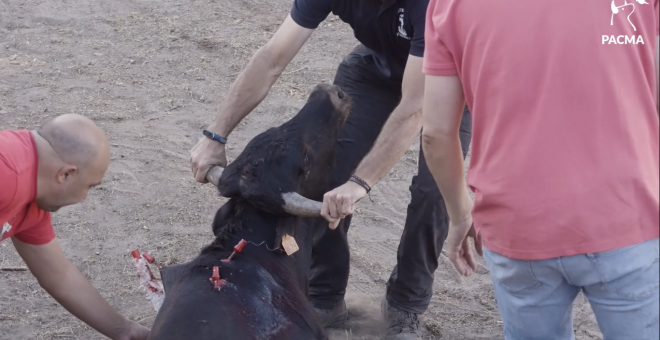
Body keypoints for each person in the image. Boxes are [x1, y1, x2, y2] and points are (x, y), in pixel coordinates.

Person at [189, 0, 472, 338]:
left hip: (448, 82)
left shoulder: (430, 6)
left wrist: (360, 183)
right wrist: (215, 134)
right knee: (326, 174)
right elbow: (271, 58)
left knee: (435, 192)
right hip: (373, 71)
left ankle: (406, 305)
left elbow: (414, 106)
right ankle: (325, 296)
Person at [417, 0, 658, 339]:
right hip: (625, 213)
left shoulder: (448, 5)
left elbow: (436, 133)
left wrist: (459, 214)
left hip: (516, 221)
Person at [0, 114, 150, 340]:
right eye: (89, 186)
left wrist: (125, 331)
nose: (84, 197)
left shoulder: (33, 200)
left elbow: (59, 276)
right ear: (66, 174)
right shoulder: (7, 175)